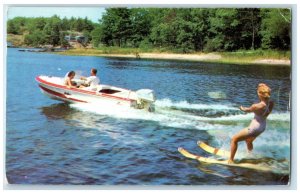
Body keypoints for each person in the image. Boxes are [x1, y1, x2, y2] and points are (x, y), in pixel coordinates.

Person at [228, 83, 274, 164]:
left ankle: (230, 160)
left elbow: (247, 110)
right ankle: (250, 155)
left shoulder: (256, 106)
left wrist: (241, 108)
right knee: (248, 141)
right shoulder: (271, 103)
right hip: (262, 127)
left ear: (260, 94)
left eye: (257, 92)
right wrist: (261, 85)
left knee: (234, 139)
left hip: (254, 128)